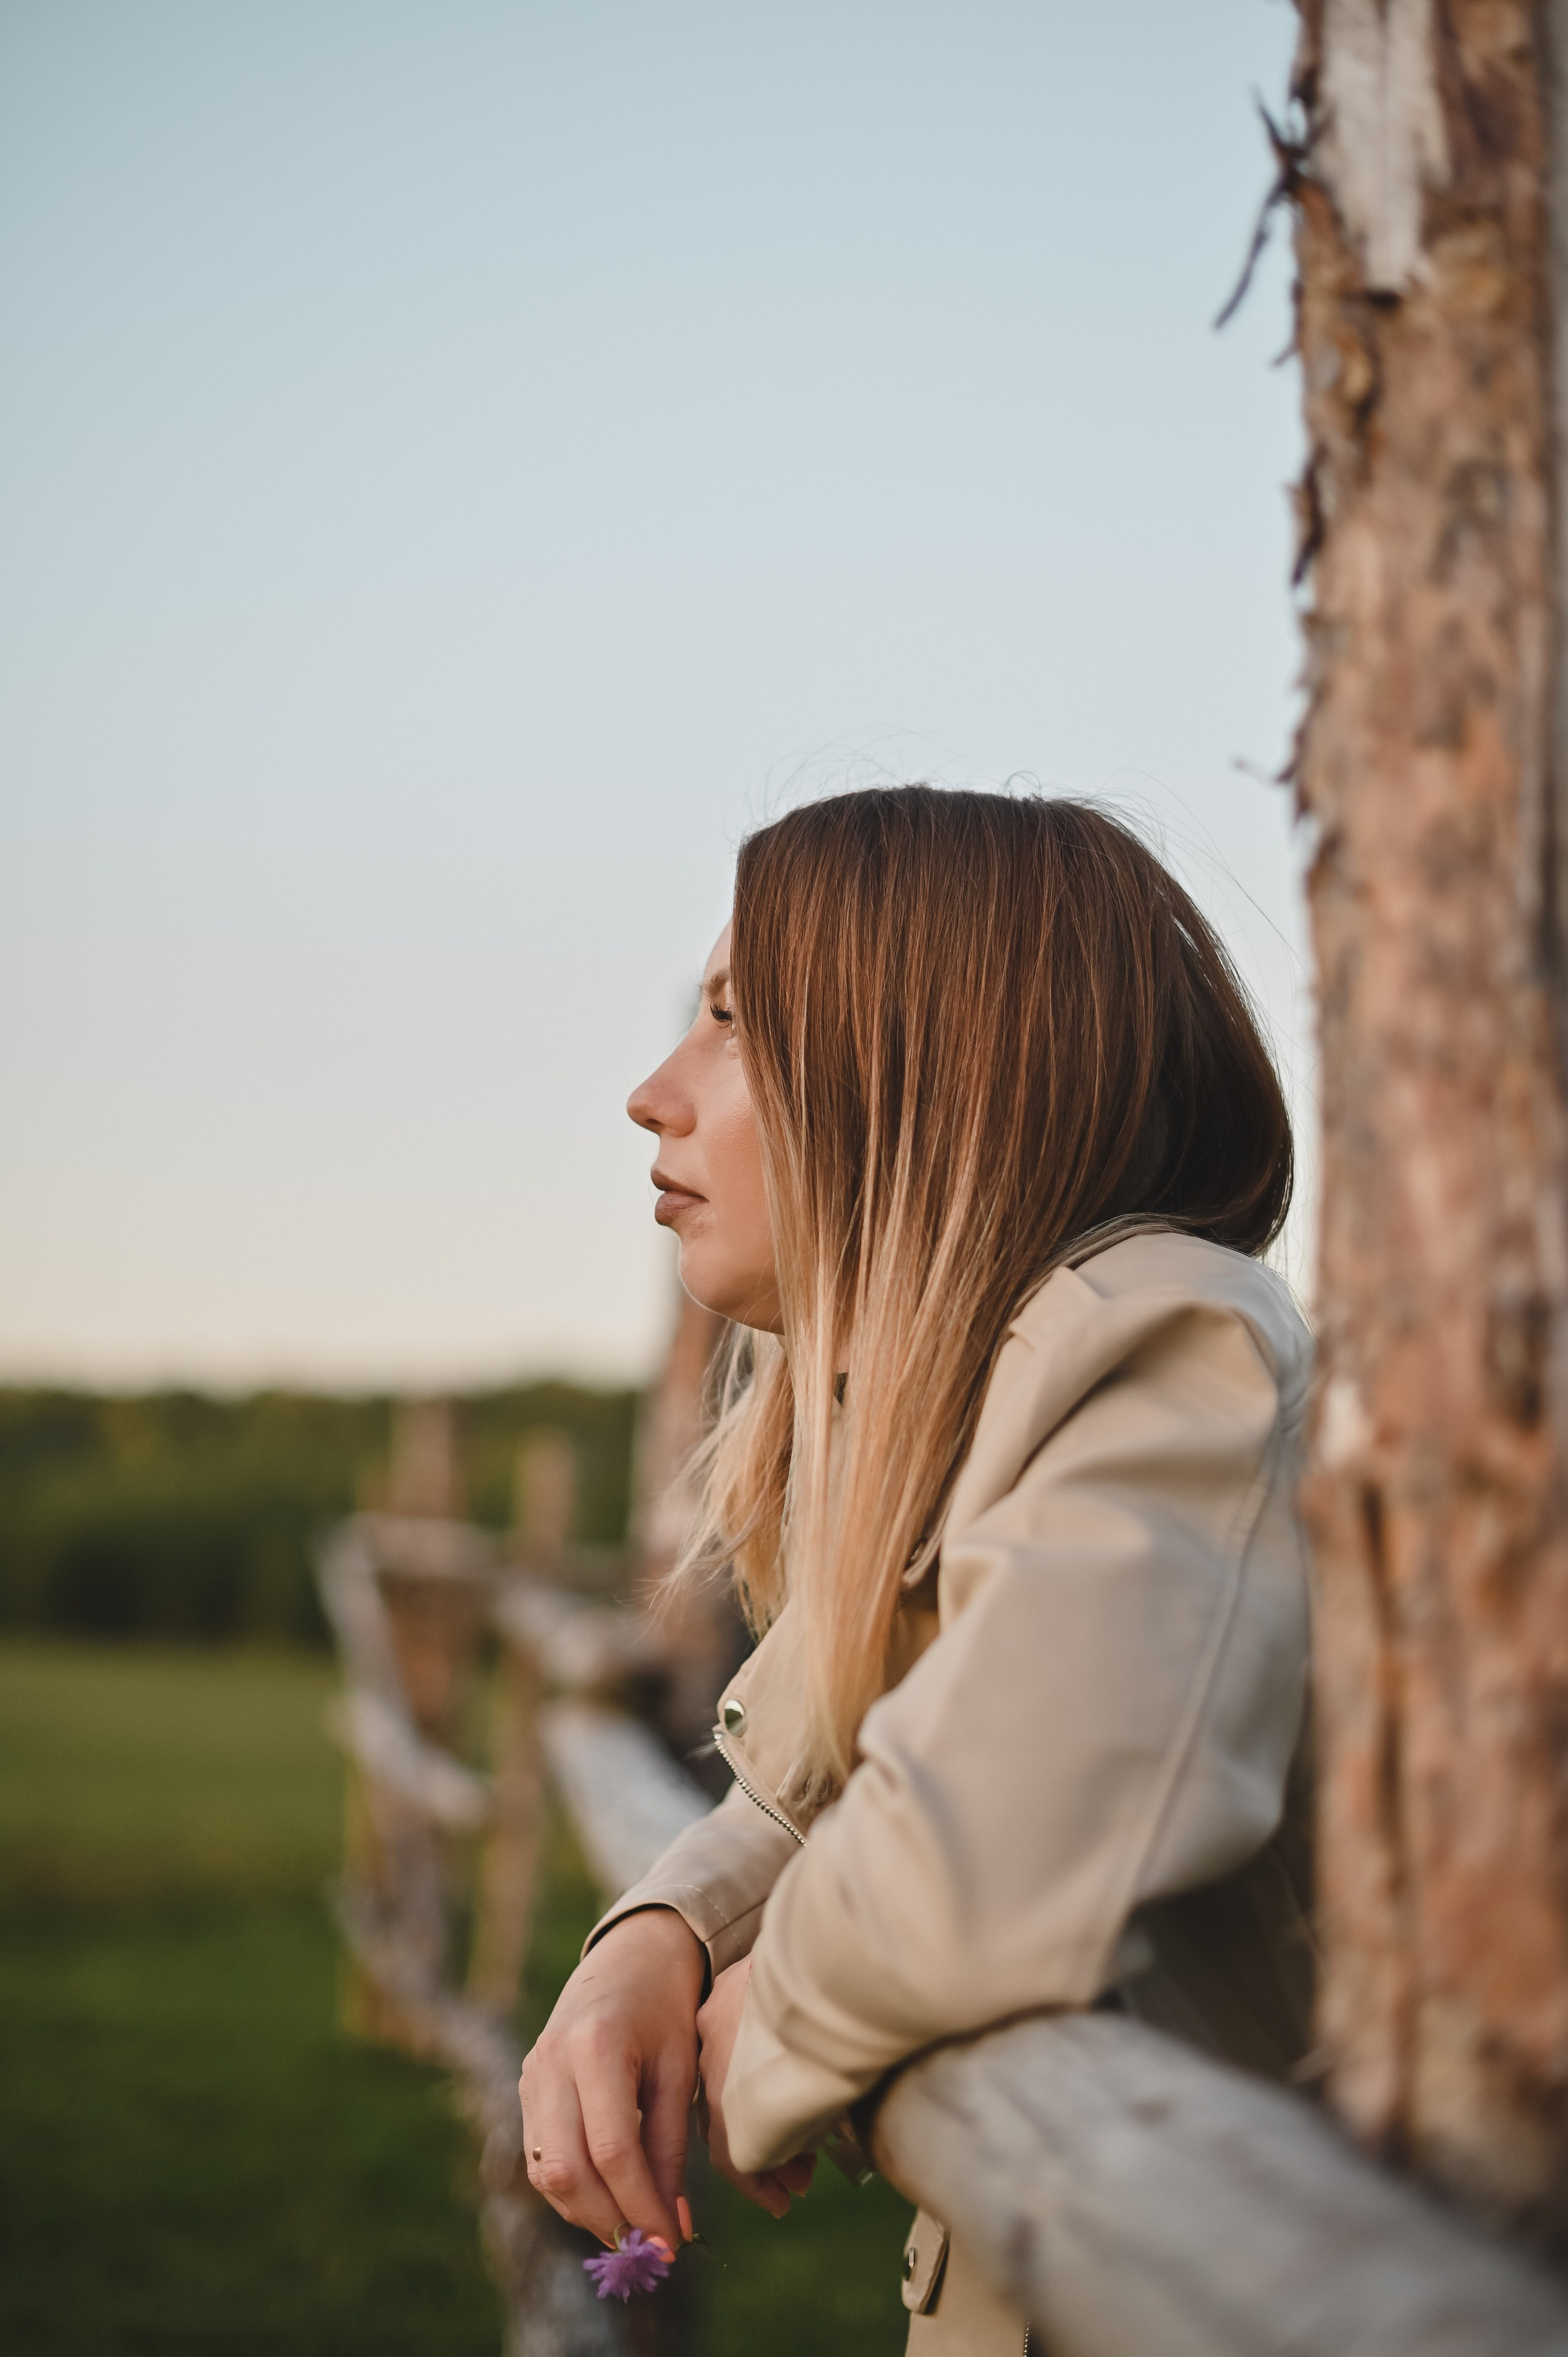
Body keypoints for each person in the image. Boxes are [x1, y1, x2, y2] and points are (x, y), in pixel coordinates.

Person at [520, 787, 1313, 2353]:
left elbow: (1014, 1821)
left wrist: (775, 2021)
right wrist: (663, 1936)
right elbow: (809, 1784)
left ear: (925, 1069)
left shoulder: (1165, 1337)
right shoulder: (964, 1398)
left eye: (733, 1023)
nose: (650, 1094)